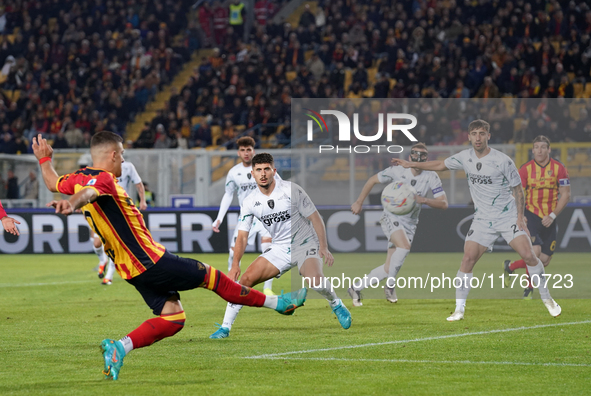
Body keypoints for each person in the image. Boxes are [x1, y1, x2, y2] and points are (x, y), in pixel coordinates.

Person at [32, 132, 306, 380]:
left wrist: (44, 160)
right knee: (216, 280)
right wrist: (72, 203)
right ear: (113, 154)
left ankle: (119, 348)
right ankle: (279, 303)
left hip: (131, 271)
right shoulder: (102, 179)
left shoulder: (77, 177)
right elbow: (90, 194)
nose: (123, 160)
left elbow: (53, 181)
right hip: (151, 260)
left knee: (173, 319)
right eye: (123, 154)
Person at [391, 120, 561, 321]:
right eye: (474, 134)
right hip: (482, 219)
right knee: (467, 259)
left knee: (529, 255)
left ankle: (547, 298)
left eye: (482, 133)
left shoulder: (503, 160)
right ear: (469, 136)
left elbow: (518, 189)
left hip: (506, 216)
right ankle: (459, 310)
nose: (478, 137)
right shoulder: (465, 157)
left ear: (488, 136)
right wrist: (412, 164)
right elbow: (439, 165)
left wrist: (518, 216)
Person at [209, 153, 352, 339]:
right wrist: (235, 263)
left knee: (315, 280)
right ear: (252, 173)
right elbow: (242, 237)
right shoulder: (250, 201)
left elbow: (315, 218)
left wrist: (323, 247)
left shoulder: (291, 190)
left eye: (266, 169)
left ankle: (336, 304)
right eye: (258, 170)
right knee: (245, 281)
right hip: (279, 248)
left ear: (274, 171)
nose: (263, 174)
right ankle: (225, 327)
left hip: (304, 243)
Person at [349, 143, 448, 306]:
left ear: (426, 160)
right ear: (410, 158)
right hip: (391, 216)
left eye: (422, 157)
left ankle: (355, 288)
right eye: (415, 156)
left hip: (410, 223)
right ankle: (390, 286)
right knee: (404, 247)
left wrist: (424, 200)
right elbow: (372, 180)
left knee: (389, 268)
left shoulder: (431, 176)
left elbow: (444, 204)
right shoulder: (397, 171)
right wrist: (359, 202)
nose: (418, 159)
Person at [504, 135, 571, 298]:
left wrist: (553, 215)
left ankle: (511, 266)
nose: (539, 150)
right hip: (531, 215)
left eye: (543, 147)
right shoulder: (525, 169)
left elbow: (566, 194)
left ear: (549, 149)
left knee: (545, 260)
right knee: (534, 251)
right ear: (532, 150)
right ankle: (529, 288)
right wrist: (520, 215)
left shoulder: (559, 168)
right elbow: (517, 194)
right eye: (536, 147)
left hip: (549, 217)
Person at [211, 137, 276, 295]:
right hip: (246, 217)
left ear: (253, 150)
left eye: (249, 150)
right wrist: (219, 218)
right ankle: (232, 287)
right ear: (238, 152)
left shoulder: (263, 168)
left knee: (268, 248)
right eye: (242, 150)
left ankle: (268, 289)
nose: (246, 153)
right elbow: (228, 195)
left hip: (265, 216)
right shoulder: (234, 172)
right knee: (234, 252)